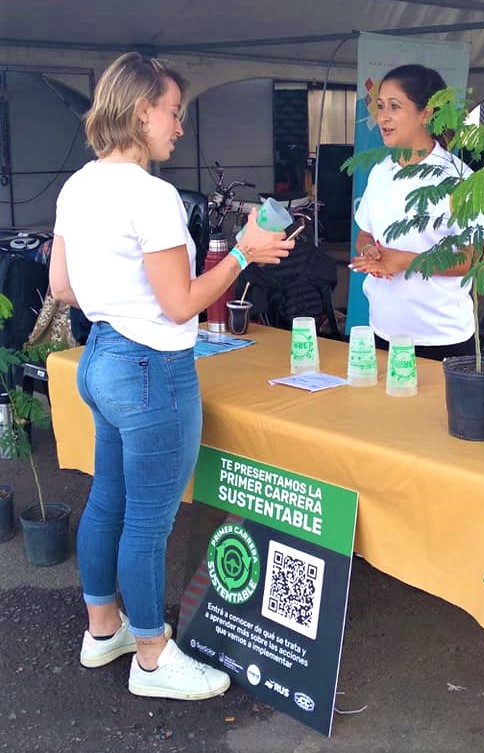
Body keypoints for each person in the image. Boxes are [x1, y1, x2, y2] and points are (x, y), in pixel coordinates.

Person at [48, 52, 294, 701]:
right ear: (140, 110)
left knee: (109, 499)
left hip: (101, 357)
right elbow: (182, 303)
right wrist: (245, 250)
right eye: (174, 111)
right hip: (152, 369)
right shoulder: (151, 196)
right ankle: (153, 656)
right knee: (149, 522)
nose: (180, 126)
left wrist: (116, 301)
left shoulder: (78, 185)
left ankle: (106, 629)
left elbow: (60, 286)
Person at [349, 64, 484, 361]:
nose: (383, 117)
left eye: (395, 107)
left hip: (439, 337)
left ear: (425, 113)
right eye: (380, 106)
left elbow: (476, 256)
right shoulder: (380, 170)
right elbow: (365, 231)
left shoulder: (457, 177)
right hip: (383, 330)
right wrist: (369, 253)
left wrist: (404, 261)